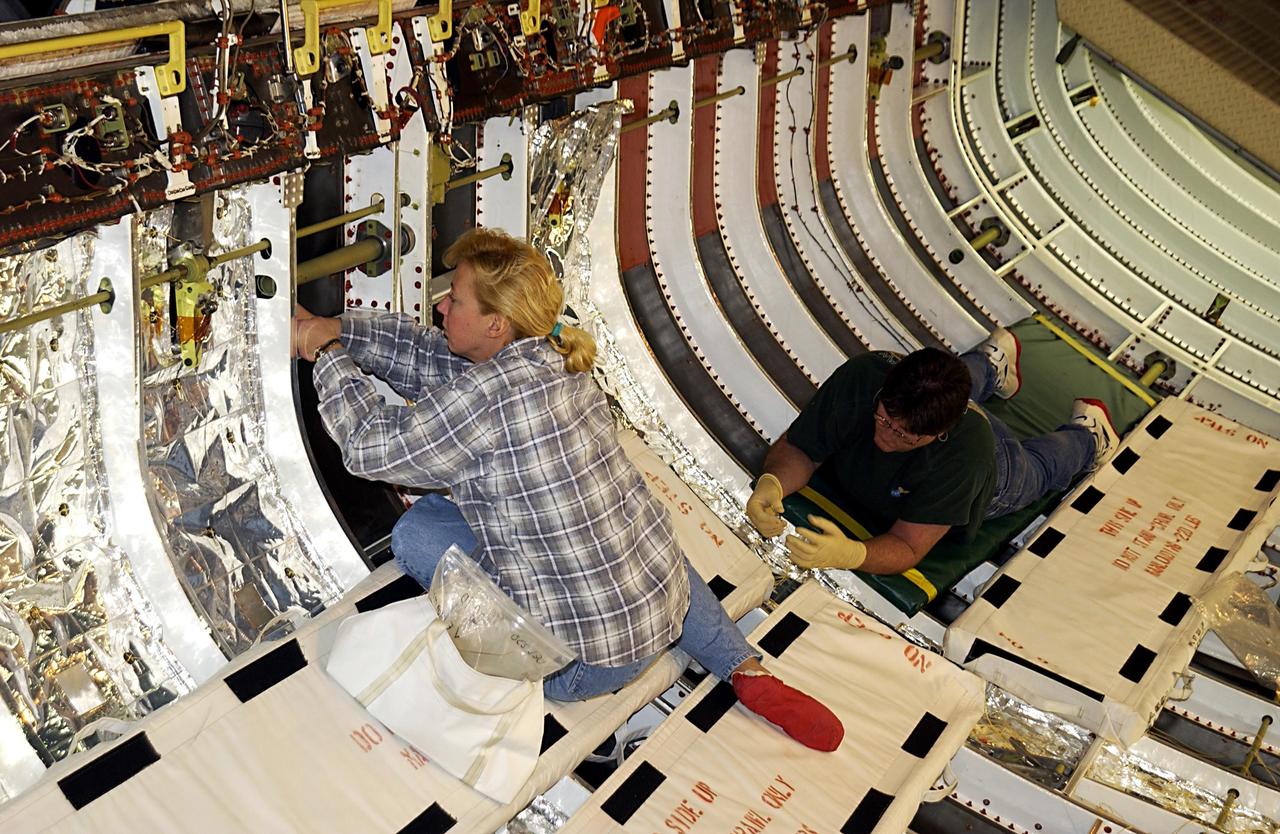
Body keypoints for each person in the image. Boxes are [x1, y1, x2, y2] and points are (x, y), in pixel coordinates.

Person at [294, 228, 843, 752]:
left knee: (418, 529)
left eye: (453, 301)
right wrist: (339, 330)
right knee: (637, 552)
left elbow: (370, 447)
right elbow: (432, 358)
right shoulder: (557, 358)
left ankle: (554, 646)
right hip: (659, 614)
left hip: (576, 668)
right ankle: (743, 668)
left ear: (496, 325)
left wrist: (326, 356)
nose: (441, 308)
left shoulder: (488, 398)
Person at [745, 330, 1120, 573]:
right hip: (941, 408)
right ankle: (990, 365)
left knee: (1037, 470)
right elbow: (801, 448)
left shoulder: (966, 457)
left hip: (996, 464)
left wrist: (851, 555)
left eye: (904, 437)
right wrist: (772, 484)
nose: (886, 437)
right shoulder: (867, 376)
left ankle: (1087, 436)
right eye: (884, 418)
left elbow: (908, 545)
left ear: (937, 433)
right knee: (942, 383)